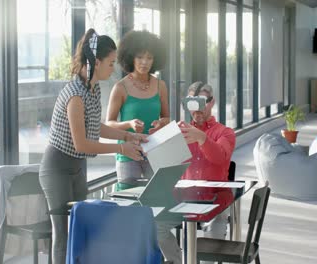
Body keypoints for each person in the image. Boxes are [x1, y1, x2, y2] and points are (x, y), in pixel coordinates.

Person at [39, 28, 147, 264]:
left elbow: (95, 127)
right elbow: (81, 144)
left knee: (81, 227)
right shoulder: (75, 94)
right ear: (96, 62)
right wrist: (120, 148)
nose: (113, 68)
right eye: (110, 63)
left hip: (77, 166)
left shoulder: (92, 88)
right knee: (63, 233)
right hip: (56, 167)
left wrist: (128, 136)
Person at [157, 81, 236, 264]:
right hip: (184, 200)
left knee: (211, 244)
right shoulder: (179, 131)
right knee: (155, 226)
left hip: (216, 201)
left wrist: (202, 138)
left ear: (212, 102)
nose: (198, 109)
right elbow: (164, 163)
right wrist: (158, 139)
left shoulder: (225, 132)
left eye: (202, 102)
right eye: (192, 103)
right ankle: (178, 261)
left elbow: (220, 158)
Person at [106, 30, 169, 191]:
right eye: (140, 57)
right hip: (128, 153)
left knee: (156, 197)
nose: (144, 62)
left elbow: (167, 118)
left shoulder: (160, 86)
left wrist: (161, 123)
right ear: (131, 57)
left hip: (154, 150)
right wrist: (129, 124)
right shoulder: (120, 87)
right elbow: (109, 124)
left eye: (149, 57)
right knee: (127, 201)